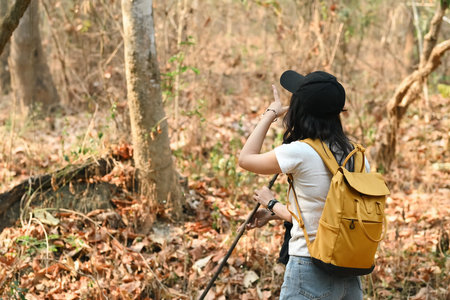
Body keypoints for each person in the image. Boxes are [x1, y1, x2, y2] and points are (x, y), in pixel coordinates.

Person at [238, 70, 365, 299]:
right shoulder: (355, 154)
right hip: (349, 274)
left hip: (310, 268)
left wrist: (270, 114)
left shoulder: (300, 151)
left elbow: (245, 159)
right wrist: (274, 211)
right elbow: (329, 214)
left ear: (301, 110)